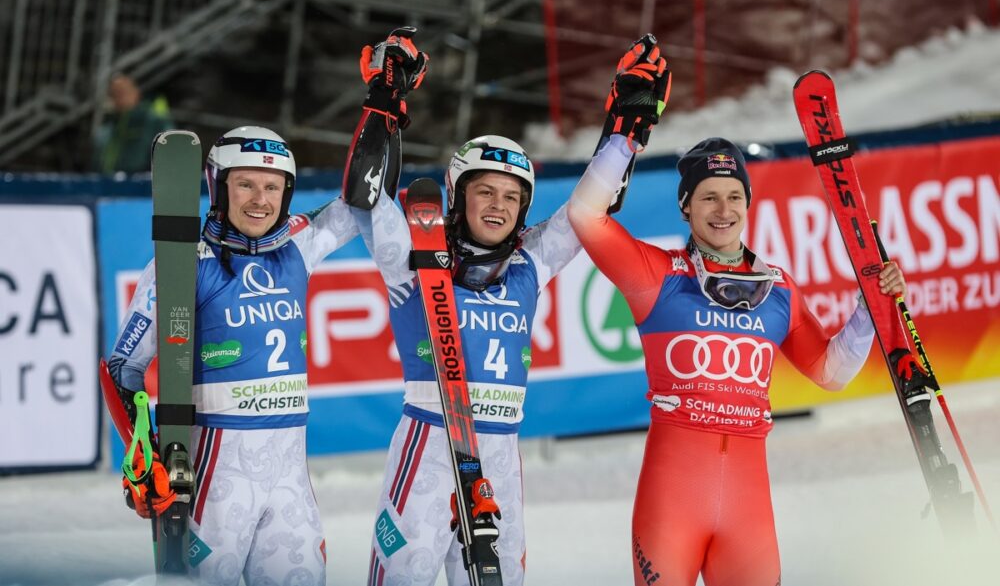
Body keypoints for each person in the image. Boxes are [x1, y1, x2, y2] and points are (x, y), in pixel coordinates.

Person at [566, 69, 907, 583]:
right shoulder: (656, 274)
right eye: (708, 197)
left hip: (748, 510)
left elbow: (831, 373)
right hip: (671, 502)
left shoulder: (778, 288)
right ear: (685, 206)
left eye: (734, 197)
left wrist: (871, 308)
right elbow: (586, 215)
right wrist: (624, 139)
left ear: (748, 204)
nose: (723, 210)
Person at [347, 42, 661, 586]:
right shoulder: (412, 258)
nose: (497, 205)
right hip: (426, 450)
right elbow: (365, 197)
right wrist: (384, 102)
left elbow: (590, 210)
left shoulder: (528, 265)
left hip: (500, 459)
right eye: (484, 191)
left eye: (512, 197)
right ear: (456, 197)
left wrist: (624, 134)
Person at [105, 125, 368, 585]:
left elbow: (362, 197)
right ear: (217, 186)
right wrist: (140, 452)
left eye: (272, 187)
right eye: (244, 184)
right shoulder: (184, 259)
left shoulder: (299, 245)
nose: (259, 200)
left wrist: (381, 110)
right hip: (213, 483)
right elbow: (122, 367)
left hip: (290, 485)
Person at [91, 73, 175, 175]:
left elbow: (170, 152)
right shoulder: (106, 128)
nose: (119, 98)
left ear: (136, 93)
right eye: (114, 94)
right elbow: (97, 163)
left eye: (123, 92)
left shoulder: (153, 121)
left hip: (143, 185)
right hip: (108, 185)